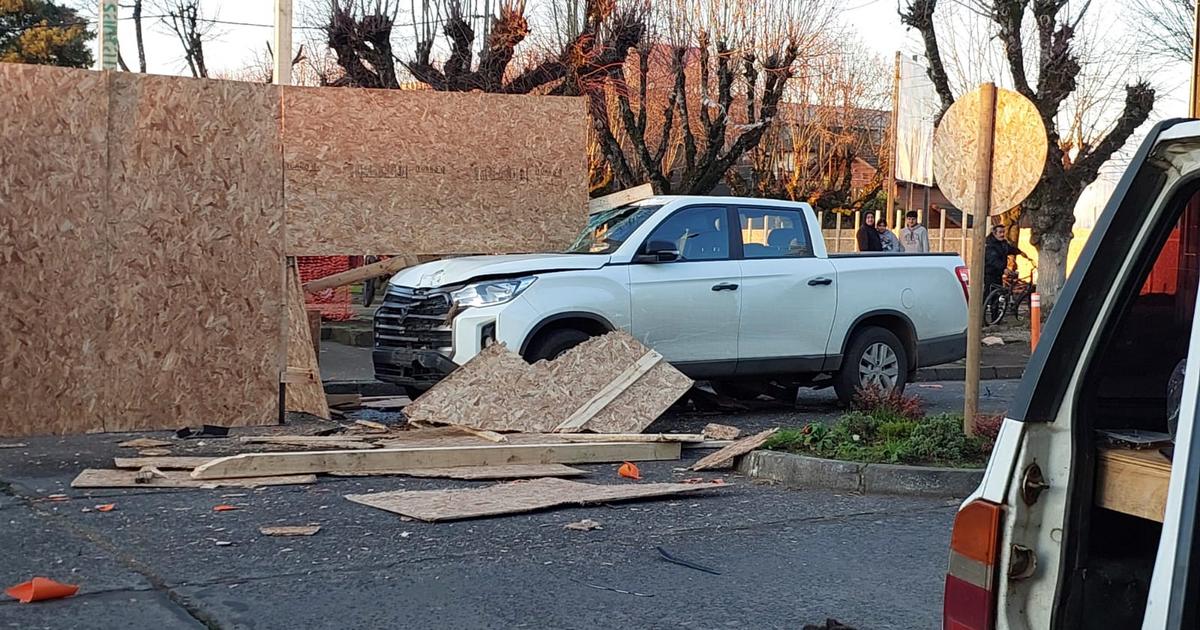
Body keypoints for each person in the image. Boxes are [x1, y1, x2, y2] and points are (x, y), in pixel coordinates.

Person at [984, 224, 1028, 320]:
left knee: (997, 295)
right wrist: (1003, 268)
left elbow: (1009, 249)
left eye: (1003, 232)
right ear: (994, 233)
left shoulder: (1003, 243)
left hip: (998, 274)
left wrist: (1020, 252)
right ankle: (985, 318)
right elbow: (992, 260)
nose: (1002, 234)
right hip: (990, 273)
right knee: (989, 295)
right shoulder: (990, 245)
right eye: (1000, 232)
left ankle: (995, 318)